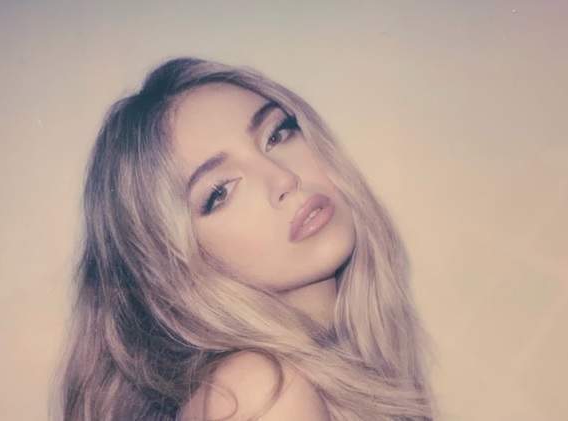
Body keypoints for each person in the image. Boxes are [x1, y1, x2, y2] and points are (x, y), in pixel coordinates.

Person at [58, 57, 438, 421]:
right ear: (170, 269)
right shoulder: (259, 391)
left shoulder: (329, 373)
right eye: (219, 191)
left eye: (277, 134)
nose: (284, 178)